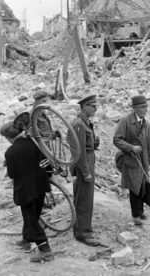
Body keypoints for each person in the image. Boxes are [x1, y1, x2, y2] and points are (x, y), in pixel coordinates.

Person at [0, 122, 54, 262]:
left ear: (8, 138)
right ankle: (26, 240)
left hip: (26, 191)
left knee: (31, 220)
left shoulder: (10, 152)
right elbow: (46, 162)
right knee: (32, 216)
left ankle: (45, 250)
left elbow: (12, 174)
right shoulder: (34, 142)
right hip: (41, 186)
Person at [113, 95, 150, 226]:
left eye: (146, 106)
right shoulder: (125, 121)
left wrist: (148, 162)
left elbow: (148, 145)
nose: (145, 109)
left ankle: (140, 211)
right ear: (134, 109)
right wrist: (130, 148)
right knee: (134, 187)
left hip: (143, 160)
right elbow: (116, 139)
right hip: (131, 159)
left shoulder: (146, 124)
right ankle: (135, 215)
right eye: (142, 107)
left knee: (142, 186)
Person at [69, 94, 99, 246]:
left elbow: (88, 145)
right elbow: (78, 152)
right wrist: (86, 172)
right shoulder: (79, 124)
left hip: (88, 161)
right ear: (84, 106)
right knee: (84, 200)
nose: (95, 108)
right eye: (92, 106)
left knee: (84, 198)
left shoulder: (85, 122)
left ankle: (82, 227)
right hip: (83, 165)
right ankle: (82, 233)